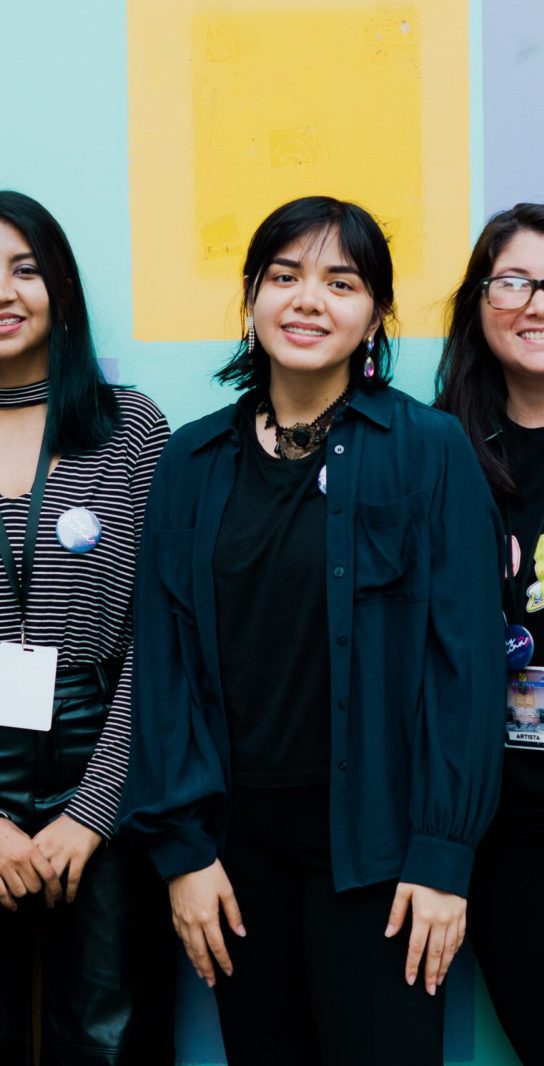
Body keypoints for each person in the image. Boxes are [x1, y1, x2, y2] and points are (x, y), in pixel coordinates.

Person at [120, 194, 506, 1066]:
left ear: (375, 316)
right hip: (233, 855)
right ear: (251, 298)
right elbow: (166, 660)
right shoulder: (191, 459)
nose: (308, 300)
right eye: (285, 276)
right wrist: (183, 853)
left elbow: (467, 665)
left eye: (341, 281)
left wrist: (445, 853)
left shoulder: (428, 449)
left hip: (381, 852)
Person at [0, 190, 175, 1065]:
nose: (4, 291)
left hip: (103, 748)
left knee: (109, 1033)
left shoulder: (129, 427)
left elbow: (162, 639)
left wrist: (93, 813)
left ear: (61, 287)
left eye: (24, 268)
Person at [435, 201, 544, 1066]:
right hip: (503, 826)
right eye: (514, 281)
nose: (542, 302)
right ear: (479, 305)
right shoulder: (439, 453)